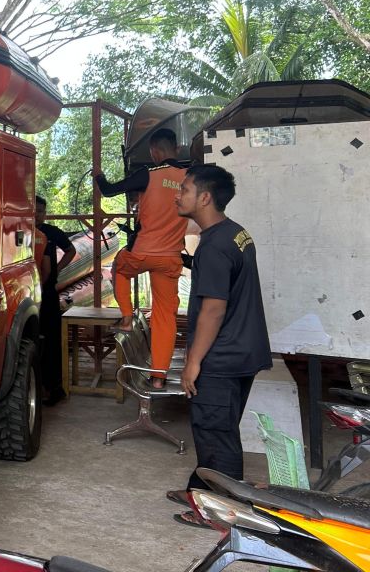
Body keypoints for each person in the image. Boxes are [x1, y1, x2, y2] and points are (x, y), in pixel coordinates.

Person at [167, 163, 271, 518]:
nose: (177, 194)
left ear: (205, 197)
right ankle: (200, 492)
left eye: (184, 189)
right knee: (217, 428)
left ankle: (222, 515)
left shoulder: (213, 246)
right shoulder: (235, 233)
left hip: (221, 357)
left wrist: (193, 362)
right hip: (243, 351)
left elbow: (213, 309)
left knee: (215, 434)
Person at [95, 128, 188, 386]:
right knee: (164, 316)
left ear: (154, 152)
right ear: (177, 149)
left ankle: (126, 317)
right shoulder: (190, 177)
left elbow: (110, 191)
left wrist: (99, 176)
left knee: (120, 268)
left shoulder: (148, 174)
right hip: (170, 257)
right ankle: (158, 377)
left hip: (143, 252)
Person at [36, 195, 76, 406]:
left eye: (41, 211)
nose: (37, 214)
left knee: (51, 341)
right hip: (28, 296)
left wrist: (58, 269)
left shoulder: (51, 233)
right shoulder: (20, 231)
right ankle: (37, 386)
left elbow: (71, 250)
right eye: (33, 210)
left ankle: (54, 388)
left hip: (48, 293)